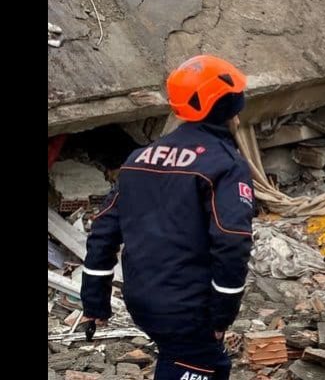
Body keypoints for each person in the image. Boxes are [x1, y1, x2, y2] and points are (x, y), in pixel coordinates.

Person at [81, 55, 255, 380]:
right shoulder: (224, 165)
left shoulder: (138, 159)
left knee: (191, 361)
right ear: (226, 107)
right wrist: (222, 316)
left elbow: (103, 229)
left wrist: (94, 302)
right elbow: (231, 240)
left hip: (143, 300)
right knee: (199, 365)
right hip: (188, 309)